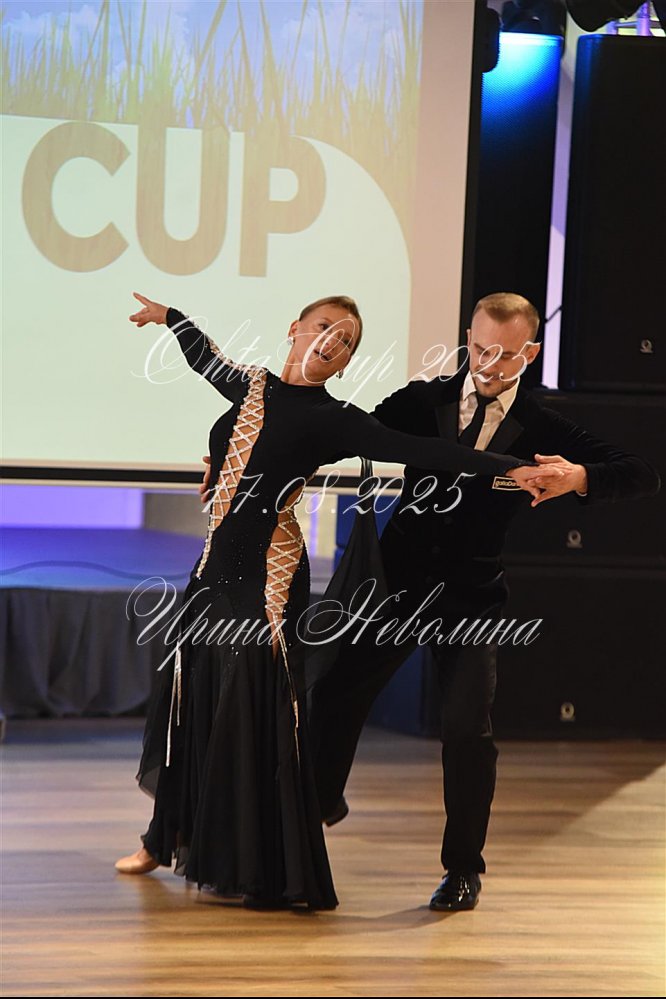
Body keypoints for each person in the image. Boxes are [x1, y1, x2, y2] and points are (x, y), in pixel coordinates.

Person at [198, 292, 660, 912]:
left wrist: (579, 477)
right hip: (395, 587)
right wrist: (238, 460)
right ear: (467, 339)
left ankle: (463, 868)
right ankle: (312, 818)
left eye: (505, 354)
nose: (488, 364)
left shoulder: (545, 425)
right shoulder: (422, 401)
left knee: (467, 730)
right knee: (331, 696)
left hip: (472, 599)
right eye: (479, 349)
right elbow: (324, 434)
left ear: (530, 353)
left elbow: (641, 473)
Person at [115, 291, 552, 912]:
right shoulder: (250, 385)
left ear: (346, 363)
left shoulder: (336, 419)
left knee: (253, 709)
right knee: (193, 698)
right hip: (213, 568)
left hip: (270, 574)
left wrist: (511, 466)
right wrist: (171, 318)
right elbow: (203, 357)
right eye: (325, 327)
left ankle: (263, 863)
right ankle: (165, 838)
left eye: (346, 341)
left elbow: (428, 452)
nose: (332, 341)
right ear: (295, 328)